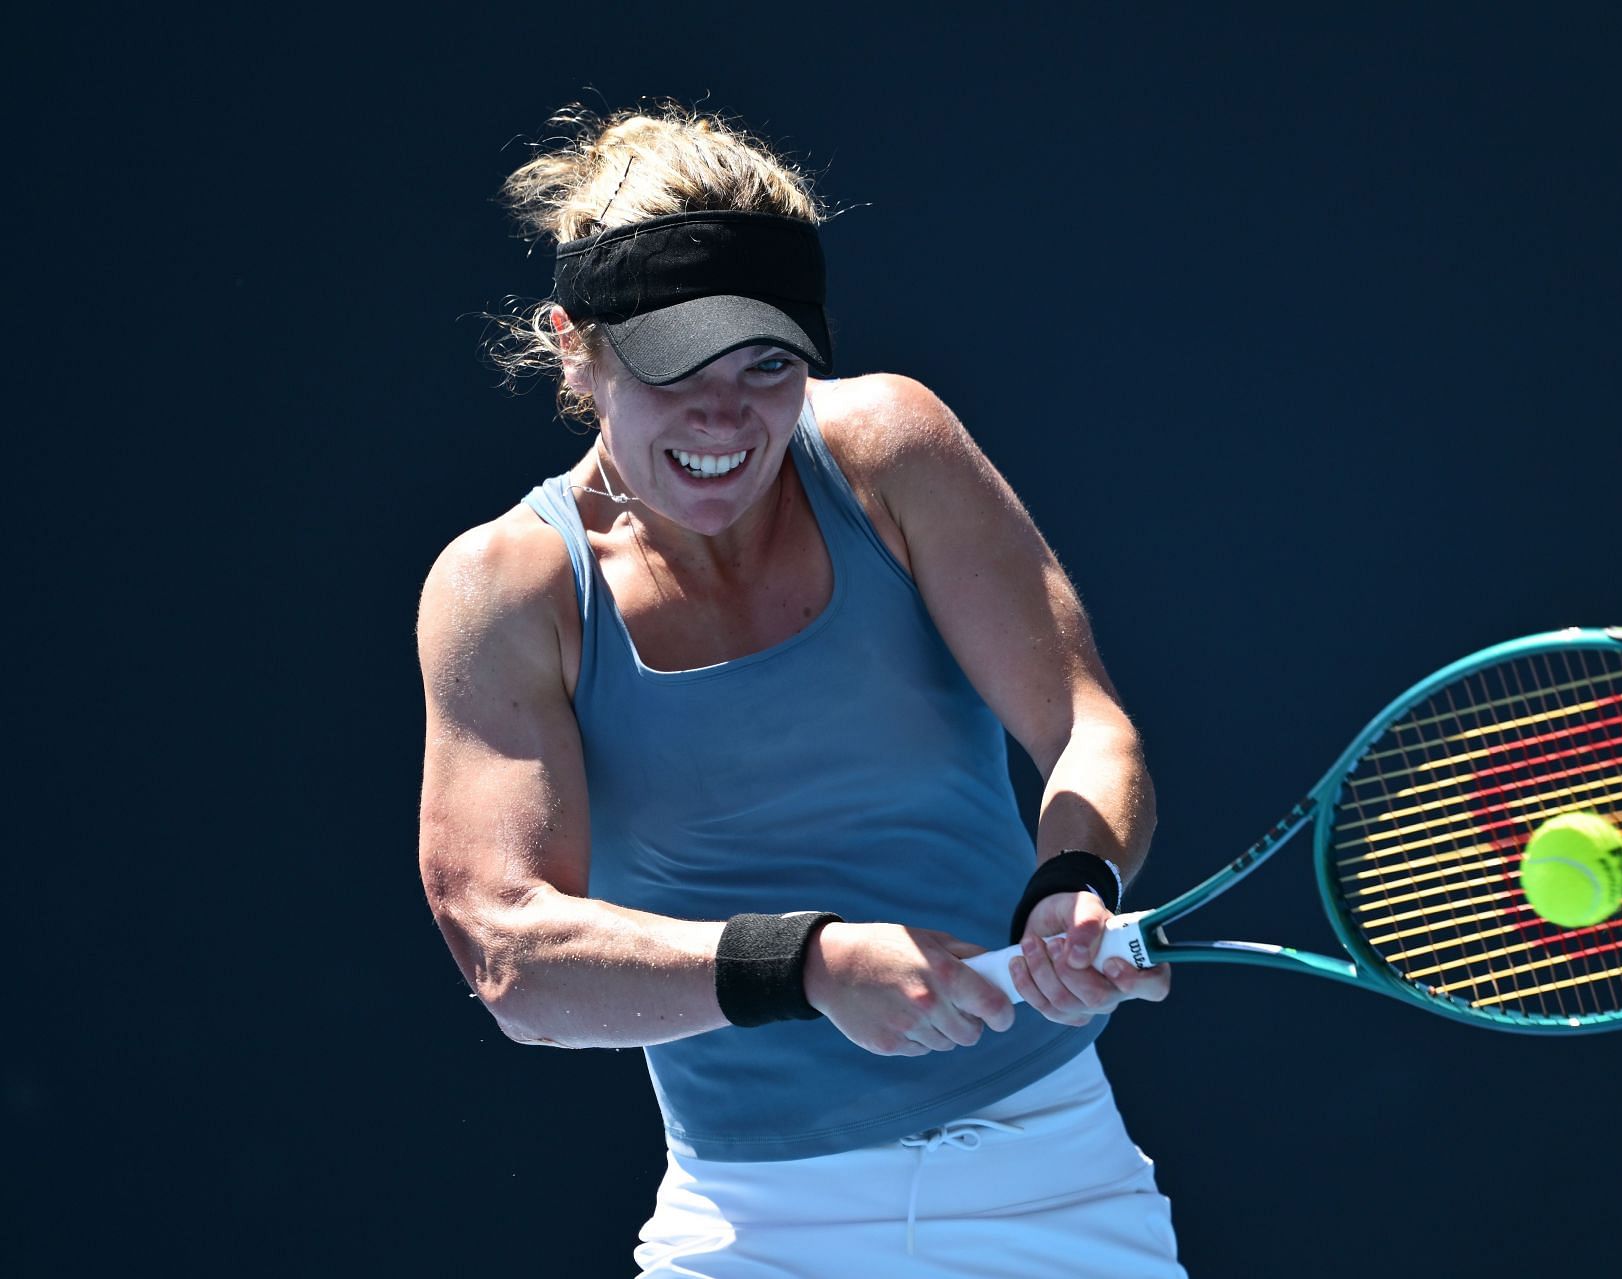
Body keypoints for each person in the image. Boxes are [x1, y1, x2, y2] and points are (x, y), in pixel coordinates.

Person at [416, 102, 1182, 1278]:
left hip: (1052, 1178)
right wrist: (808, 965)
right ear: (578, 346)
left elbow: (1087, 728)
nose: (726, 417)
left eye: (768, 364)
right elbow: (511, 957)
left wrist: (1074, 881)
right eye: (676, 368)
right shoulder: (506, 590)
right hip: (753, 1230)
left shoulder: (888, 450)